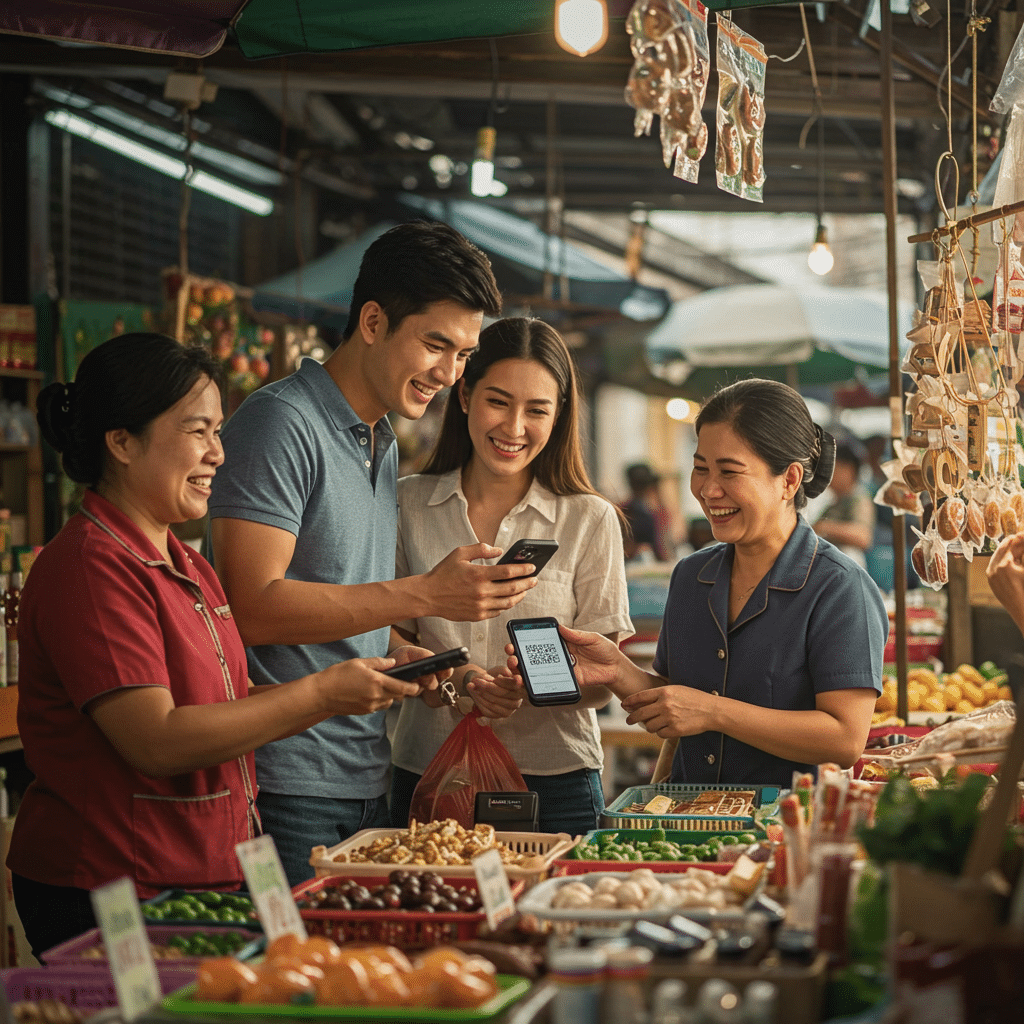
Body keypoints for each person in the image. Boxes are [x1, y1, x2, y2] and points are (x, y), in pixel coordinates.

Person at [7, 334, 432, 959]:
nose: (218, 453)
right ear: (121, 442)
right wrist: (319, 693)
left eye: (217, 431)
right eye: (198, 431)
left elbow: (224, 698)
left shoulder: (185, 562)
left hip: (200, 866)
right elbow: (156, 739)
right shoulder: (90, 567)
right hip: (110, 883)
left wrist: (346, 690)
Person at [208, 222, 537, 886]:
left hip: (365, 769)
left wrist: (398, 651)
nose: (449, 375)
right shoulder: (280, 424)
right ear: (373, 320)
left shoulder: (379, 437)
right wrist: (425, 595)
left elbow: (333, 594)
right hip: (284, 778)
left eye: (463, 354)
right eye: (435, 344)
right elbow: (254, 607)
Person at [544, 379, 888, 787]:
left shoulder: (840, 589)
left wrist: (714, 712)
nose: (708, 490)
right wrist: (616, 669)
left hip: (781, 831)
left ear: (790, 480)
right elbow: (679, 699)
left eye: (729, 471)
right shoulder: (691, 576)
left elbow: (845, 738)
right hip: (683, 824)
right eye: (701, 467)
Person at [389, 317, 633, 835]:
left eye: (536, 410)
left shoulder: (589, 518)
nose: (514, 428)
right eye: (498, 401)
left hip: (555, 777)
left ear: (559, 415)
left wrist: (535, 685)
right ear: (464, 396)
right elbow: (387, 632)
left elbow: (601, 679)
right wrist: (456, 681)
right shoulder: (407, 503)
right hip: (429, 769)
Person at [813, 441, 876, 568]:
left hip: (847, 568)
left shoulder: (858, 498)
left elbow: (863, 537)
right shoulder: (833, 501)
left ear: (848, 470)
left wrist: (823, 527)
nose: (825, 473)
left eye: (832, 467)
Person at [620, 462, 675, 562]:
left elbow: (665, 547)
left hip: (656, 563)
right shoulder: (625, 510)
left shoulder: (658, 511)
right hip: (632, 563)